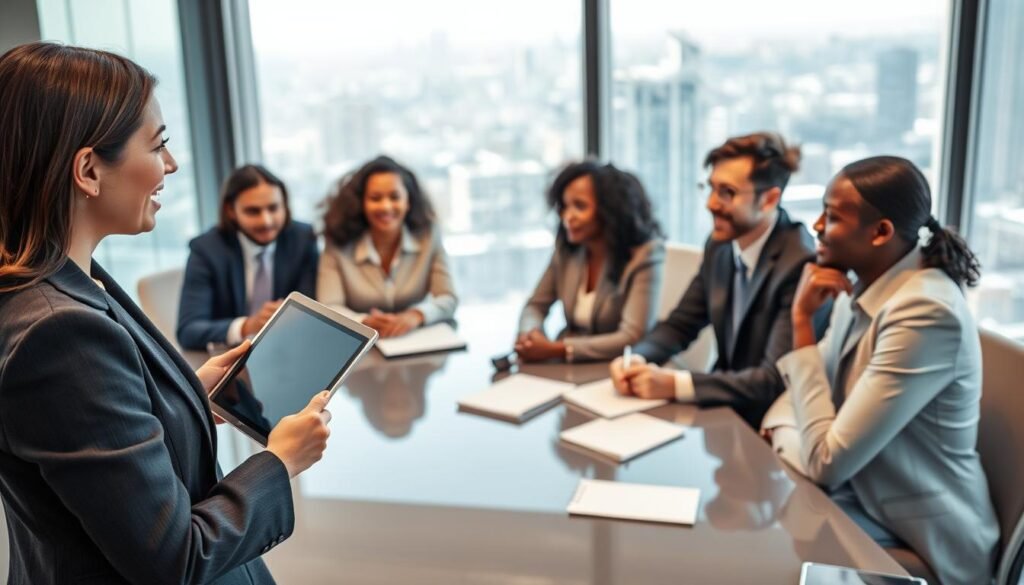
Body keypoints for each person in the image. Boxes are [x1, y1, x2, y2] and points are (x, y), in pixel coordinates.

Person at [0, 42, 331, 585]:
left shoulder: (63, 284)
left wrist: (186, 395)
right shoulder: (58, 331)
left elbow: (95, 450)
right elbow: (175, 557)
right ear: (88, 169)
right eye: (159, 146)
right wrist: (280, 462)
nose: (171, 165)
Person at [765, 156, 998, 585]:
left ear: (881, 232)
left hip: (922, 542)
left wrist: (800, 323)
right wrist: (787, 423)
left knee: (766, 553)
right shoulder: (863, 287)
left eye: (832, 216)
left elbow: (825, 461)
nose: (816, 225)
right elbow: (806, 391)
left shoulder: (925, 310)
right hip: (861, 501)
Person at [610, 132, 824, 428]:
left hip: (770, 426)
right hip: (720, 416)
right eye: (710, 188)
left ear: (769, 199)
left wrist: (674, 384)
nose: (711, 204)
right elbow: (680, 325)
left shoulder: (799, 262)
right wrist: (636, 359)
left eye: (728, 192)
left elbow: (773, 380)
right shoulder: (720, 245)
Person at [516, 161, 664, 362]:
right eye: (564, 206)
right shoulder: (567, 249)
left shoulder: (645, 255)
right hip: (567, 368)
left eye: (580, 206)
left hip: (618, 366)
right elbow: (535, 306)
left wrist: (557, 349)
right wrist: (529, 336)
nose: (567, 217)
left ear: (609, 210)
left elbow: (631, 336)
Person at [177, 164, 318, 350]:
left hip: (289, 349)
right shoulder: (206, 249)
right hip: (232, 356)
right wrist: (247, 326)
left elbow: (310, 311)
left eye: (273, 208)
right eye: (253, 211)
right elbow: (188, 330)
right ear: (230, 211)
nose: (266, 221)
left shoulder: (303, 238)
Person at [317, 155, 457, 338]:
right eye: (375, 198)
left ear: (408, 201)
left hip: (416, 342)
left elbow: (447, 298)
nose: (386, 206)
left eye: (395, 197)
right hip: (358, 345)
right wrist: (364, 321)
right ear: (362, 203)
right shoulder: (338, 242)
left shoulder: (428, 235)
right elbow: (329, 306)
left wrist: (415, 316)